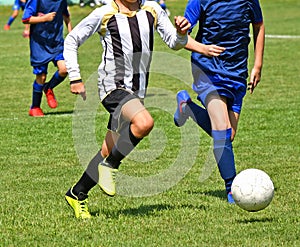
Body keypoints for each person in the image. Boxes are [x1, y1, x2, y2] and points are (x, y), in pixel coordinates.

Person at [63, 0, 192, 219]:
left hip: (136, 90)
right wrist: (75, 76)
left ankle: (77, 192)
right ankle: (110, 166)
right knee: (144, 123)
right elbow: (72, 39)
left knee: (108, 149)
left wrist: (180, 33)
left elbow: (173, 42)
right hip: (112, 86)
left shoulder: (152, 9)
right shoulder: (104, 13)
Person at [174, 0, 265, 203]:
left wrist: (258, 64)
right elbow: (182, 37)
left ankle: (187, 108)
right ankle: (232, 188)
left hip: (236, 71)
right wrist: (182, 27)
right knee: (222, 130)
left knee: (228, 134)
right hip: (207, 69)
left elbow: (258, 25)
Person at [22, 0, 72, 117]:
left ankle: (48, 87)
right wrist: (44, 18)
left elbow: (66, 15)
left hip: (56, 42)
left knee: (64, 69)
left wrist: (71, 34)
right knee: (41, 76)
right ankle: (35, 107)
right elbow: (26, 18)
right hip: (39, 43)